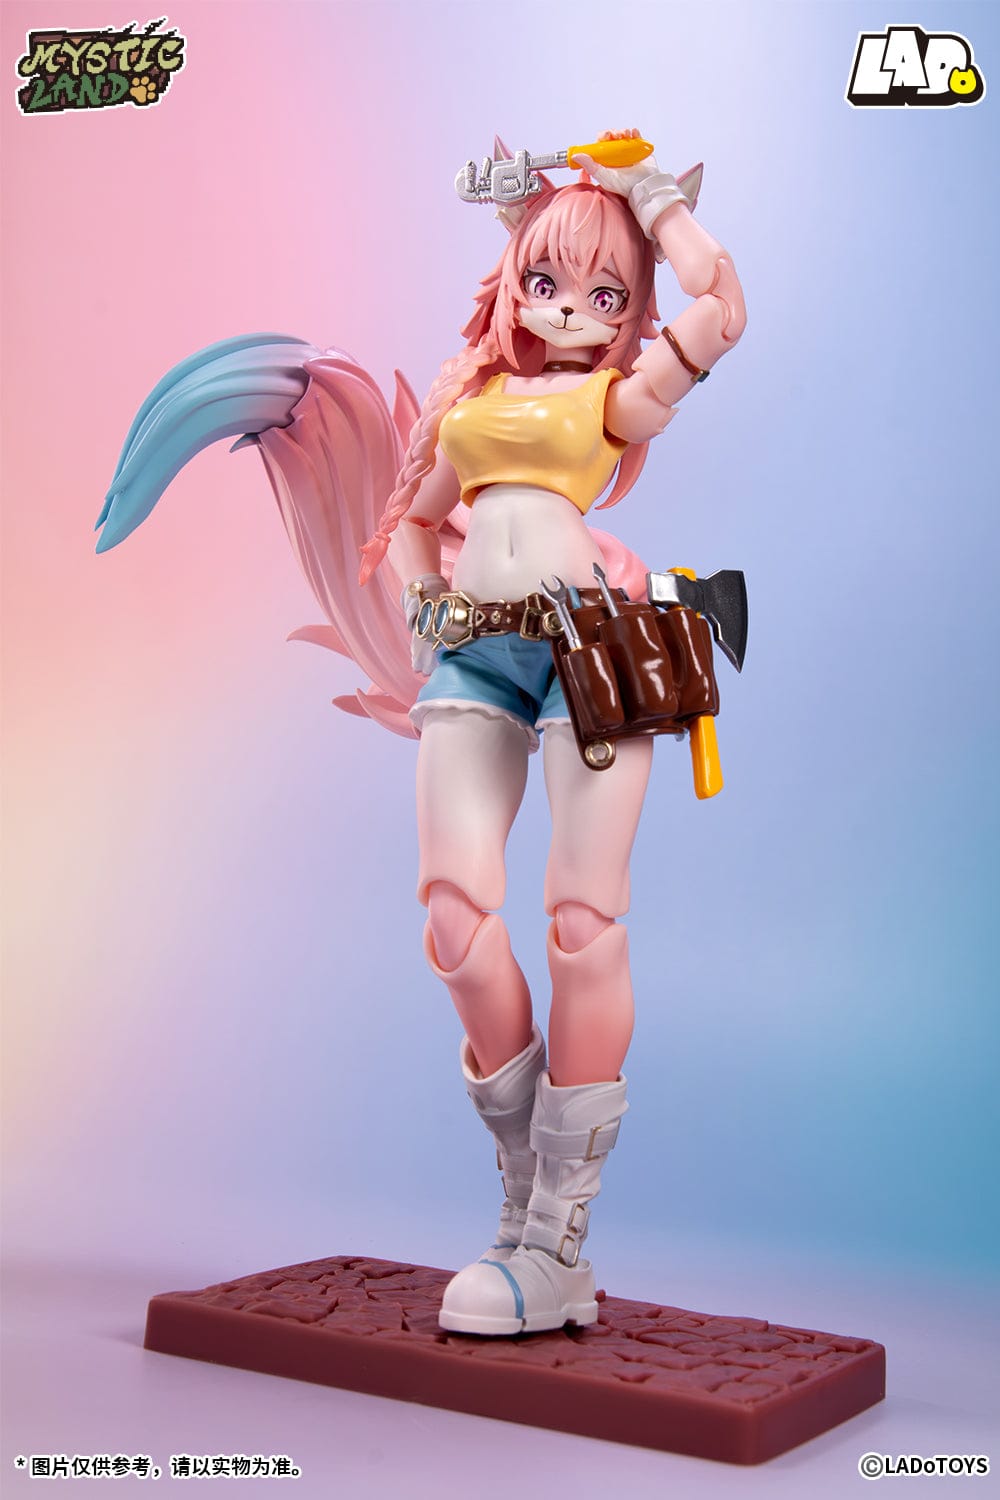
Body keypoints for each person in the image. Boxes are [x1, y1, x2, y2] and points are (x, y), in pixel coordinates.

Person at [96, 130, 745, 1337]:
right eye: (547, 279)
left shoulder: (615, 397)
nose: (570, 309)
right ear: (514, 279)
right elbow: (409, 520)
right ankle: (521, 1194)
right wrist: (421, 599)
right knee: (453, 917)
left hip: (590, 651)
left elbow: (721, 308)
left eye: (604, 295)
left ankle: (556, 1234)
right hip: (476, 652)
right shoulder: (473, 401)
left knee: (581, 920)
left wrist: (652, 202)